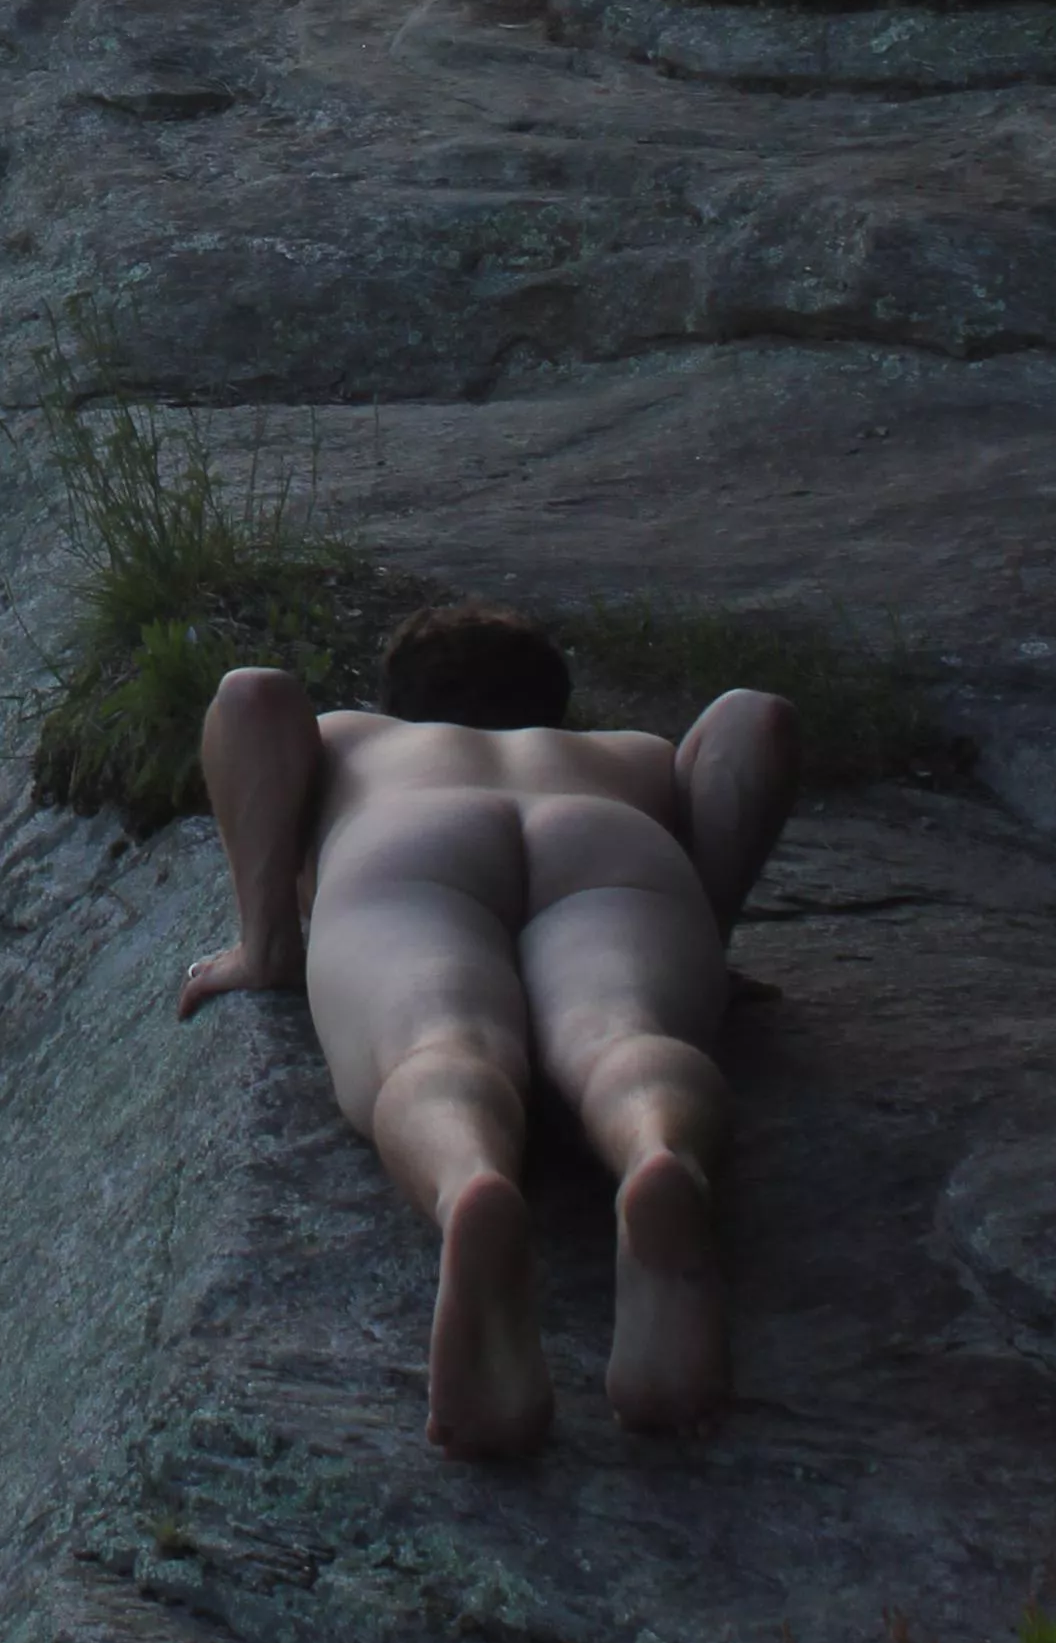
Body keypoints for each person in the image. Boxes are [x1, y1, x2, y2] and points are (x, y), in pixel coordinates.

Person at [178, 600, 799, 1460]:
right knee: (623, 1036)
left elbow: (250, 697)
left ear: (401, 700)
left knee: (437, 1047)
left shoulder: (359, 738)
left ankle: (470, 1182)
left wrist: (267, 942)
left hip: (410, 839)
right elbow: (755, 722)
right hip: (612, 841)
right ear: (557, 706)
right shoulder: (630, 756)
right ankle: (660, 1155)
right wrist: (709, 938)